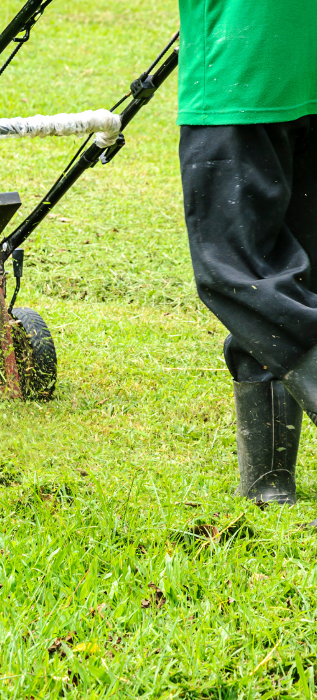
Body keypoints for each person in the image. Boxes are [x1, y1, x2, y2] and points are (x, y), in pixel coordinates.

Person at [177, 1, 317, 504]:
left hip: (243, 64)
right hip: (305, 61)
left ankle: (270, 480)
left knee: (240, 273)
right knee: (293, 274)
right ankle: (269, 480)